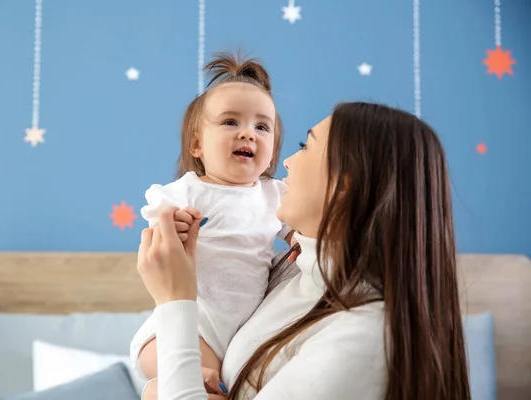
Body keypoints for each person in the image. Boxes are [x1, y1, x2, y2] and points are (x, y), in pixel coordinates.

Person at [133, 100, 473, 399]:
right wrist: (159, 388)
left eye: (305, 146)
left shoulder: (365, 339)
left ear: (345, 185)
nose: (288, 163)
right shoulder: (292, 272)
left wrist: (175, 299)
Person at [130, 53, 296, 396]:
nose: (247, 134)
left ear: (273, 150)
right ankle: (163, 386)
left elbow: (303, 228)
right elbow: (158, 219)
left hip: (240, 330)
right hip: (193, 321)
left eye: (262, 127)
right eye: (230, 122)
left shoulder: (273, 195)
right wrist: (173, 225)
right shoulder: (191, 190)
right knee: (197, 376)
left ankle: (158, 391)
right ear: (197, 144)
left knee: (220, 385)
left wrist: (298, 238)